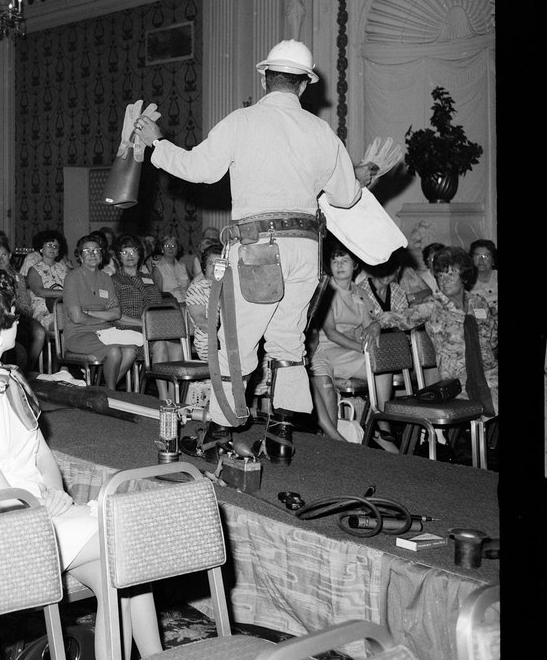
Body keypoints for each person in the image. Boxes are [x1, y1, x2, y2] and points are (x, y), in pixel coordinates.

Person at [135, 39, 377, 461]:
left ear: (265, 77)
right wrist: (360, 176)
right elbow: (345, 195)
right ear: (304, 85)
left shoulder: (243, 121)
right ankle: (281, 437)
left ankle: (217, 433)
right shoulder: (321, 132)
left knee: (237, 341)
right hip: (307, 251)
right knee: (289, 343)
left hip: (258, 249)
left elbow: (198, 168)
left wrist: (158, 144)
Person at [0, 263, 162, 660]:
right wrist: (43, 505)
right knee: (126, 546)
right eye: (10, 312)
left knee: (125, 575)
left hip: (37, 511)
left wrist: (55, 493)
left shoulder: (12, 378)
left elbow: (42, 456)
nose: (17, 317)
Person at [388, 245, 498, 417]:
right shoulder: (433, 305)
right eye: (440, 275)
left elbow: (492, 339)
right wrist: (376, 323)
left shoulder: (479, 303)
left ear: (464, 277)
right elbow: (401, 317)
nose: (444, 280)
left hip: (489, 372)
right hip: (459, 380)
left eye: (450, 275)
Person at [308, 242, 388, 444]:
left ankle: (381, 420)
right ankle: (382, 422)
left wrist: (375, 328)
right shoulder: (326, 290)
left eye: (344, 260)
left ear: (355, 265)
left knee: (383, 361)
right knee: (376, 365)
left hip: (352, 348)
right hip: (328, 349)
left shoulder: (359, 292)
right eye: (334, 261)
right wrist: (362, 349)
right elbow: (331, 333)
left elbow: (368, 326)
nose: (339, 265)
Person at [62, 234, 142, 389]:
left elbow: (116, 314)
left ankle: (102, 389)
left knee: (131, 351)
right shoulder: (72, 278)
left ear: (101, 254)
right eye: (87, 251)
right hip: (79, 334)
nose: (92, 254)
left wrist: (88, 312)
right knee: (114, 352)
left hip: (106, 331)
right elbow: (77, 318)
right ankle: (110, 393)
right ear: (80, 256)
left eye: (96, 250)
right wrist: (104, 316)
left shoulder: (106, 278)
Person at [111, 233, 182, 397]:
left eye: (133, 251)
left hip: (152, 329)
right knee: (160, 344)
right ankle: (163, 397)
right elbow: (116, 315)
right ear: (119, 257)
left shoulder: (147, 278)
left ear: (139, 254)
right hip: (128, 329)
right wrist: (143, 324)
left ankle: (174, 398)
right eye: (124, 252)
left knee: (177, 347)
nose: (129, 256)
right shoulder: (114, 280)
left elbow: (158, 305)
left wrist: (155, 325)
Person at [0, 241, 46, 374]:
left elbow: (25, 303)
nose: (1, 259)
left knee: (39, 333)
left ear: (10, 255)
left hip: (19, 314)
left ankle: (28, 371)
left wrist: (21, 309)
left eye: (4, 255)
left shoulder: (19, 277)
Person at [24, 229, 69, 335]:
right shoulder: (34, 269)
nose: (52, 248)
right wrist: (65, 293)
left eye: (55, 246)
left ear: (58, 252)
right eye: (49, 245)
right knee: (66, 322)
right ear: (41, 248)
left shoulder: (63, 268)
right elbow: (39, 291)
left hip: (65, 308)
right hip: (44, 311)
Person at [152, 233, 191, 303]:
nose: (170, 248)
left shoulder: (183, 266)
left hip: (187, 304)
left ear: (177, 249)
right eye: (167, 246)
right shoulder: (158, 269)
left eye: (173, 246)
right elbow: (158, 295)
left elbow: (191, 289)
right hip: (170, 306)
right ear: (162, 249)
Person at [469, 239, 498, 312]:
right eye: (477, 256)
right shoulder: (466, 281)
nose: (481, 260)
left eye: (486, 256)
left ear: (493, 261)